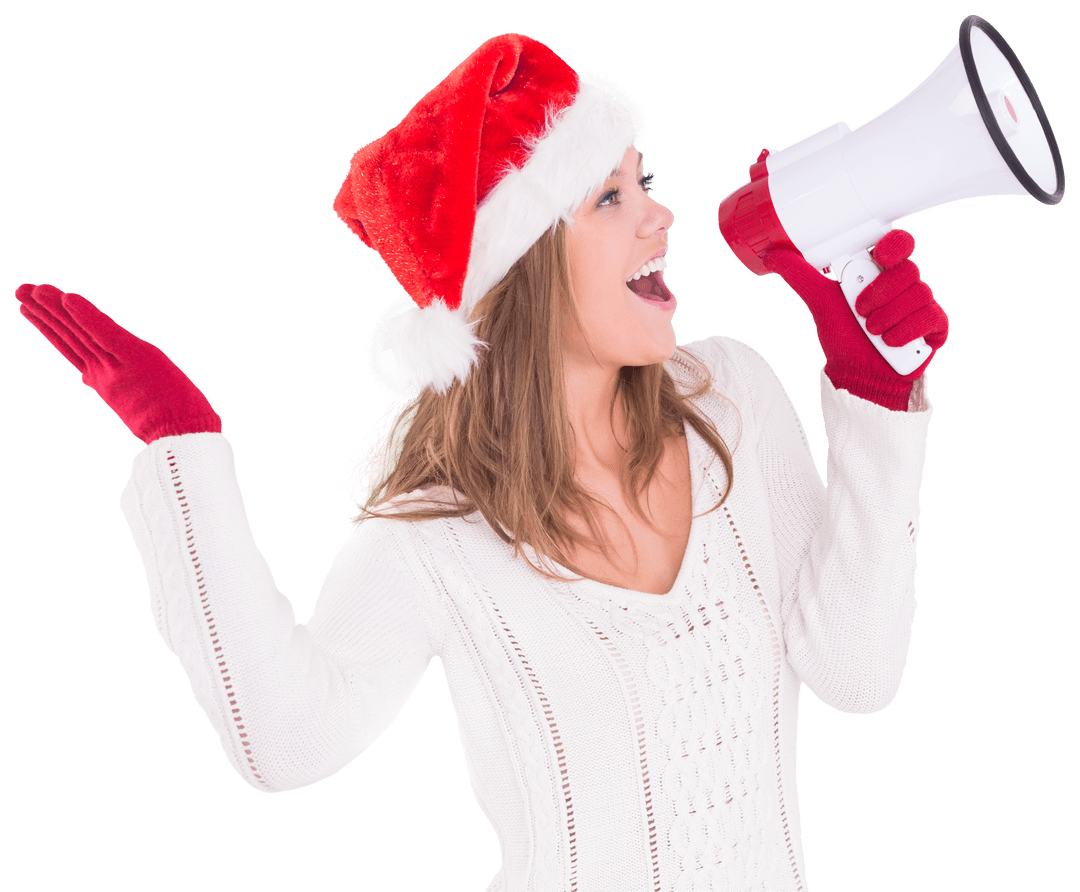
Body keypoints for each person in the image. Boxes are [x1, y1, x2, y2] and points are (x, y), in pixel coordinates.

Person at [15, 32, 948, 892]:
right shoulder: (439, 533)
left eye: (645, 178)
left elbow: (855, 676)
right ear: (521, 268)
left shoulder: (730, 396)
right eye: (611, 196)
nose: (662, 216)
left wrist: (874, 403)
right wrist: (185, 456)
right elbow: (284, 741)